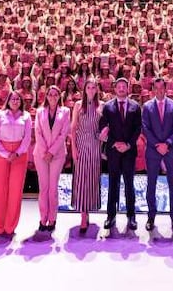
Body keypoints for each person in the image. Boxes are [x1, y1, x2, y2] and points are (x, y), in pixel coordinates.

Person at [99, 77, 142, 231]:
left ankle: (131, 217)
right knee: (113, 184)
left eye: (124, 86)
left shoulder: (135, 107)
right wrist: (115, 144)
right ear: (115, 89)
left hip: (129, 152)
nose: (122, 88)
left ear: (128, 88)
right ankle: (111, 216)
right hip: (113, 151)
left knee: (129, 185)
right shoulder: (108, 107)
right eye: (119, 86)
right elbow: (103, 127)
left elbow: (138, 128)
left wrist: (128, 144)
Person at [141, 77, 173, 232]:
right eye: (156, 88)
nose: (159, 90)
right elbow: (145, 128)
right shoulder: (147, 106)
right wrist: (158, 145)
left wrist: (168, 144)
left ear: (166, 88)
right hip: (153, 150)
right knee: (151, 184)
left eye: (161, 88)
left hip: (171, 150)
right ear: (153, 90)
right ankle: (151, 216)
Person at [0, 91, 32, 236]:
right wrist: (6, 154)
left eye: (17, 99)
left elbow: (27, 138)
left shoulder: (26, 116)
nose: (15, 101)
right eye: (12, 99)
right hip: (1, 154)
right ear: (8, 100)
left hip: (20, 155)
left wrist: (17, 153)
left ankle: (10, 226)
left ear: (21, 101)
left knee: (15, 191)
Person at [34, 85, 70, 233]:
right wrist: (45, 152)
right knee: (44, 188)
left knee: (53, 188)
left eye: (56, 94)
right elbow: (37, 132)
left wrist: (52, 152)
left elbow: (63, 134)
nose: (53, 97)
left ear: (59, 96)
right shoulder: (39, 111)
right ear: (46, 96)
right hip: (41, 154)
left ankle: (52, 218)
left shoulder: (66, 111)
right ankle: (43, 218)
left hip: (58, 154)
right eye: (50, 94)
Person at [70, 79, 102, 233]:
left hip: (95, 146)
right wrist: (74, 149)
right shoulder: (77, 105)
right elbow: (73, 128)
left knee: (92, 179)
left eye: (93, 87)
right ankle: (83, 215)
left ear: (96, 89)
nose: (90, 89)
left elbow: (105, 126)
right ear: (84, 89)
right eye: (88, 87)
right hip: (81, 145)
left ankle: (89, 210)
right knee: (81, 179)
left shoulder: (101, 105)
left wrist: (104, 135)